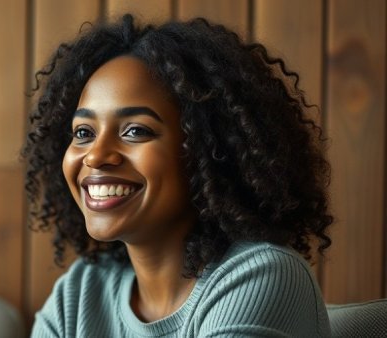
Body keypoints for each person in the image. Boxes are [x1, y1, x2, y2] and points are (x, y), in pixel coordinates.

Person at [23, 14, 333, 337]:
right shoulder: (79, 294)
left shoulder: (262, 276)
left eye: (135, 131)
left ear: (209, 147)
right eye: (84, 132)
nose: (96, 156)